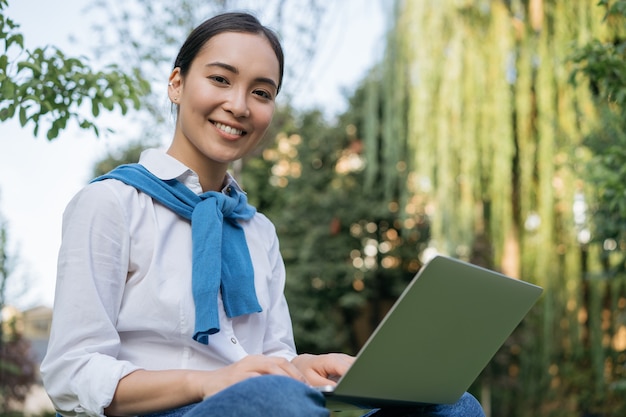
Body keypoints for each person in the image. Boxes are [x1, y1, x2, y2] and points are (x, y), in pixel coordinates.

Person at [40, 12, 485, 417]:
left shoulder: (256, 229)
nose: (239, 105)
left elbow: (272, 355)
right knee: (275, 399)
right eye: (220, 79)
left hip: (267, 404)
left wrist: (306, 366)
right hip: (167, 410)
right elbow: (71, 373)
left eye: (261, 92)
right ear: (176, 83)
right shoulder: (111, 203)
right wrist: (209, 383)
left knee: (450, 405)